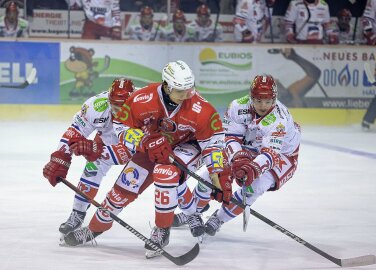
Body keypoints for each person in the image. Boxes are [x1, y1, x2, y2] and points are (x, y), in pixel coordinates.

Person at [61, 60, 231, 259]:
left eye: (189, 88)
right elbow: (122, 127)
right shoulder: (142, 98)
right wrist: (144, 141)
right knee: (120, 192)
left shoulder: (202, 109)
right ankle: (93, 229)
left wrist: (218, 179)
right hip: (151, 146)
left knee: (165, 173)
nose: (187, 95)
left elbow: (213, 146)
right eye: (180, 90)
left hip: (188, 147)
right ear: (167, 86)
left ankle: (162, 230)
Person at [185, 75, 301, 236]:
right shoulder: (237, 106)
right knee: (213, 173)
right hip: (249, 145)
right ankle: (192, 211)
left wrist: (251, 168)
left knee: (254, 188)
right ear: (251, 97)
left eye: (268, 101)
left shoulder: (279, 119)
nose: (263, 105)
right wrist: (238, 158)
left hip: (283, 154)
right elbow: (230, 137)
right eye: (258, 100)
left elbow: (270, 154)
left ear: (275, 99)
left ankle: (219, 218)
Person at [42, 78, 136, 237]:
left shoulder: (144, 104)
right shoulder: (96, 105)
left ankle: (188, 213)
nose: (118, 111)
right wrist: (60, 158)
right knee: (90, 172)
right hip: (107, 144)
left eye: (123, 106)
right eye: (114, 105)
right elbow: (74, 132)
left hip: (138, 149)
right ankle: (78, 213)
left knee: (160, 178)